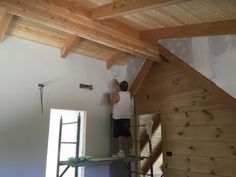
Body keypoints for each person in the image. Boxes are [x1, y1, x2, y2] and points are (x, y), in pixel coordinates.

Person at [106, 79, 133, 158]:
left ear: (120, 87)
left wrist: (107, 97)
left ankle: (121, 152)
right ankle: (131, 151)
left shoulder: (117, 95)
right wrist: (118, 84)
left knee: (120, 135)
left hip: (118, 118)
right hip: (126, 118)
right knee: (128, 135)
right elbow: (122, 91)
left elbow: (110, 103)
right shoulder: (128, 94)